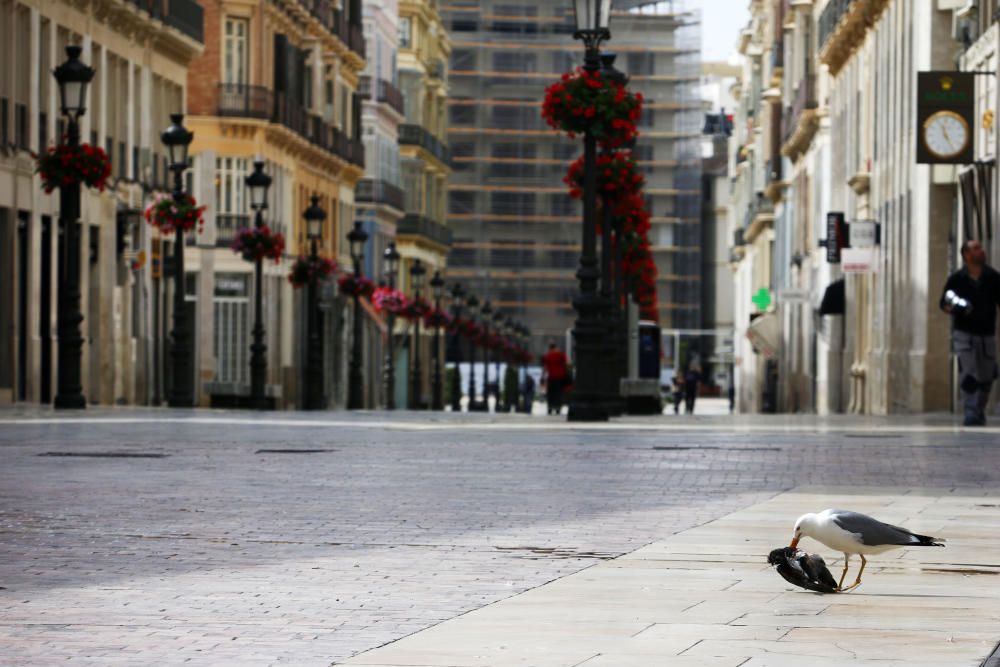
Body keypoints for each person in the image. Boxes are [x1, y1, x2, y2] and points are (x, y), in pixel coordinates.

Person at [940, 239, 1000, 426]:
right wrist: (957, 307)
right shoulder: (957, 279)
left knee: (987, 375)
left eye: (981, 248)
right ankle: (970, 411)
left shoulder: (993, 277)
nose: (981, 251)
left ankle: (979, 408)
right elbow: (944, 303)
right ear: (966, 255)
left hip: (987, 333)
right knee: (969, 373)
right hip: (964, 334)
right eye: (976, 248)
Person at [541, 342, 569, 415]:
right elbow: (566, 365)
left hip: (551, 377)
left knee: (551, 393)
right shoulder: (561, 355)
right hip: (560, 377)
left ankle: (550, 407)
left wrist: (543, 376)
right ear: (556, 347)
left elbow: (545, 367)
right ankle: (558, 407)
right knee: (559, 393)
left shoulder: (547, 356)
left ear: (550, 348)